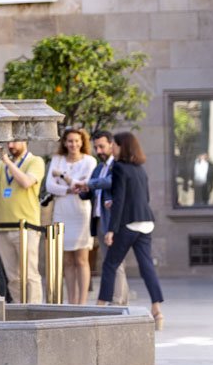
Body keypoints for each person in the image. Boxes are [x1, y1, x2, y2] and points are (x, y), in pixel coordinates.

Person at [95, 132, 165, 329]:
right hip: (146, 222)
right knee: (146, 266)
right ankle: (157, 311)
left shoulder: (119, 168)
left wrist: (110, 230)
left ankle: (99, 308)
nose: (112, 149)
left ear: (121, 147)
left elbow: (120, 200)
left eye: (115, 145)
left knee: (110, 264)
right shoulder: (140, 169)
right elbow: (144, 197)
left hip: (128, 224)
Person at [0, 139, 45, 302]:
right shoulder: (2, 164)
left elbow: (26, 182)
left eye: (15, 142)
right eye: (9, 143)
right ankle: (20, 309)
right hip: (3, 226)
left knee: (30, 274)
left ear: (25, 141)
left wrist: (7, 162)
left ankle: (34, 309)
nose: (10, 146)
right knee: (13, 277)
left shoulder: (35, 161)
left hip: (26, 227)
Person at [45, 128, 97, 305]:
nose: (73, 144)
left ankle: (82, 302)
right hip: (62, 210)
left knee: (82, 259)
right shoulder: (57, 159)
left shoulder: (89, 161)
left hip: (81, 212)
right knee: (67, 259)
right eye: (70, 141)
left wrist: (62, 176)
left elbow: (84, 186)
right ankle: (72, 301)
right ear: (64, 143)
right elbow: (50, 186)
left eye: (77, 141)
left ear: (82, 142)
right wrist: (69, 188)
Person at [79, 130, 130, 305]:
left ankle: (117, 301)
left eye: (102, 146)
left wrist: (87, 183)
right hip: (99, 219)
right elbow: (92, 190)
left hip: (114, 220)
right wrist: (83, 190)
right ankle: (122, 300)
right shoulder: (99, 168)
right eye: (96, 147)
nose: (99, 151)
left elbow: (110, 182)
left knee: (115, 261)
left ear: (111, 144)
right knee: (111, 261)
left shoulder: (118, 165)